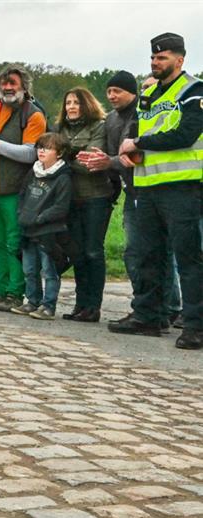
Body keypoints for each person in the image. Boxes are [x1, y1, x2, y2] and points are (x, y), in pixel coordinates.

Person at [110, 32, 202, 350]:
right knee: (147, 255)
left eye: (162, 58)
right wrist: (129, 151)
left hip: (182, 187)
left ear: (180, 59)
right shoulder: (149, 96)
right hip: (147, 187)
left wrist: (139, 143)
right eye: (153, 58)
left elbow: (187, 133)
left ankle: (195, 325)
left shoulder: (194, 90)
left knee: (188, 258)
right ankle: (148, 315)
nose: (155, 62)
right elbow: (136, 130)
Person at [78, 71, 180, 330]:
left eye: (118, 91)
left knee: (159, 254)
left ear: (133, 93)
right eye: (109, 91)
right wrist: (110, 164)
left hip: (159, 189)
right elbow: (117, 157)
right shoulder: (111, 119)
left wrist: (108, 162)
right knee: (137, 253)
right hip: (132, 192)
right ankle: (148, 309)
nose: (112, 96)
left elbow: (135, 157)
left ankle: (166, 309)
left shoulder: (144, 113)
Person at [0, 65, 47, 311]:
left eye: (13, 83)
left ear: (24, 87)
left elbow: (32, 152)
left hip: (16, 189)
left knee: (14, 243)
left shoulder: (33, 114)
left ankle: (15, 292)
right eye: (4, 83)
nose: (7, 87)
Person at [57, 87, 110, 323]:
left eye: (76, 102)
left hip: (95, 196)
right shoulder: (60, 128)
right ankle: (80, 304)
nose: (71, 107)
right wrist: (72, 155)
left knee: (93, 251)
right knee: (77, 252)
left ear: (86, 104)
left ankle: (93, 305)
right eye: (68, 102)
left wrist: (65, 155)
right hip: (70, 197)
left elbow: (91, 161)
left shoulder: (99, 126)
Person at [13, 133, 73, 320]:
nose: (42, 151)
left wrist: (39, 218)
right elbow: (23, 194)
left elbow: (61, 207)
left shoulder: (63, 178)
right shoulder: (33, 171)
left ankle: (48, 305)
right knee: (29, 269)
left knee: (49, 270)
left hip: (49, 232)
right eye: (40, 147)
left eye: (47, 148)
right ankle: (32, 300)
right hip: (28, 229)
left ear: (60, 153)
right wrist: (22, 214)